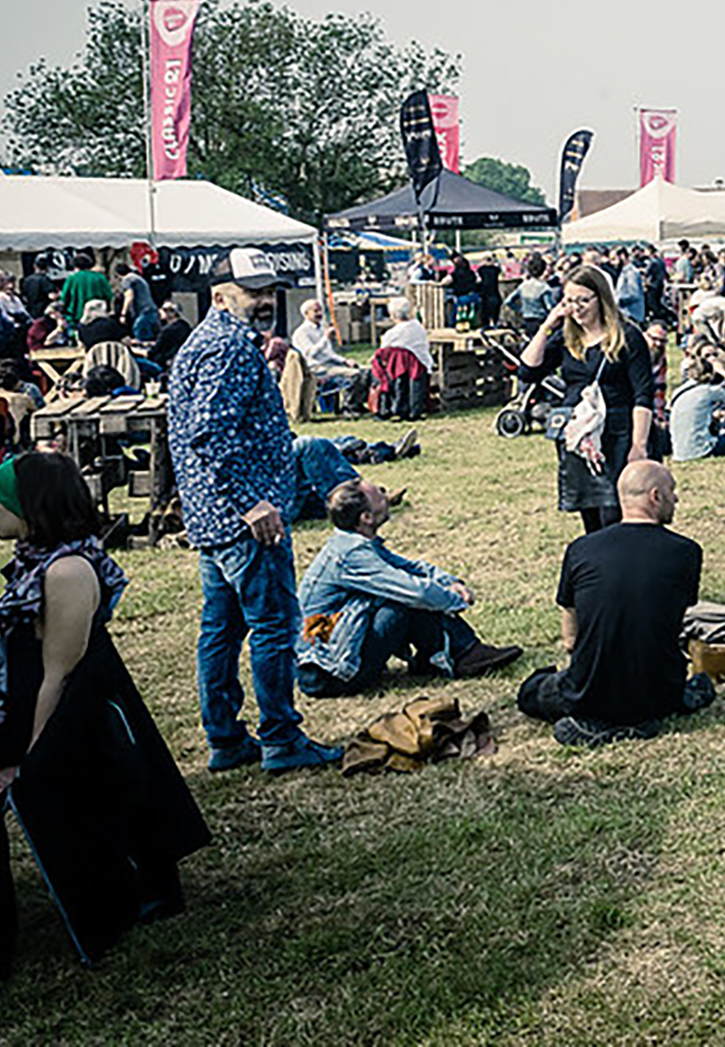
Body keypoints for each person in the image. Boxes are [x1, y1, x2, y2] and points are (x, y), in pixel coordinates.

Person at [0, 453, 159, 982]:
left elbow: (59, 679)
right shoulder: (38, 557)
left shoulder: (68, 571)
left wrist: (25, 766)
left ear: (32, 507)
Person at [164, 248, 343, 774]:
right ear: (220, 295)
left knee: (220, 630)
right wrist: (253, 503)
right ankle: (282, 740)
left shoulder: (211, 341)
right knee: (272, 625)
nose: (265, 301)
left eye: (269, 290)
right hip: (245, 521)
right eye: (253, 292)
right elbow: (208, 432)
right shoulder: (228, 349)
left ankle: (225, 739)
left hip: (212, 518)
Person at [517, 461, 714, 745]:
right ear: (655, 496)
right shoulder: (686, 552)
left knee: (531, 691)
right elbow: (669, 619)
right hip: (659, 692)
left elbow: (570, 638)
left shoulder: (581, 549)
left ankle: (593, 722)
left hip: (588, 691)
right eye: (673, 490)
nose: (677, 498)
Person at [295, 479, 521, 697]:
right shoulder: (351, 555)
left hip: (338, 651)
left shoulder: (354, 541)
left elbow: (411, 568)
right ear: (366, 517)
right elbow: (415, 591)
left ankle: (453, 653)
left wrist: (451, 582)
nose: (386, 495)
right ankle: (462, 652)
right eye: (380, 494)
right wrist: (455, 600)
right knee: (401, 601)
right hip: (324, 674)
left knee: (403, 595)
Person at [518, 263, 656, 532]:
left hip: (618, 431)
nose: (577, 308)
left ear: (601, 299)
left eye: (583, 300)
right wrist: (548, 324)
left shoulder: (627, 336)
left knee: (618, 512)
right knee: (590, 515)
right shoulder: (568, 338)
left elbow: (643, 394)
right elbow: (528, 371)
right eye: (570, 300)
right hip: (581, 435)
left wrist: (639, 445)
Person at [668, 353, 725, 460]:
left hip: (679, 453)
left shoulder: (679, 391)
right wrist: (723, 372)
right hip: (703, 451)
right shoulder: (707, 391)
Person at [291, 297, 370, 413]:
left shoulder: (321, 329)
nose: (319, 314)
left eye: (320, 310)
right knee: (355, 375)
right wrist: (325, 338)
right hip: (317, 368)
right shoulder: (301, 333)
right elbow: (310, 354)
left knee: (366, 371)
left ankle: (358, 403)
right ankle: (349, 407)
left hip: (329, 364)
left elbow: (329, 353)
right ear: (306, 314)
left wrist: (344, 361)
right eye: (315, 311)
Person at [378, 299, 434, 373]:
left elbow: (382, 355)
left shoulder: (391, 335)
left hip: (397, 374)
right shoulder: (419, 329)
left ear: (393, 315)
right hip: (421, 371)